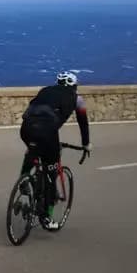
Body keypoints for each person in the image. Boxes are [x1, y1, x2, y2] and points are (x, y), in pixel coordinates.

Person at [19, 71, 91, 228]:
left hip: (25, 128)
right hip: (47, 132)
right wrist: (86, 144)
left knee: (33, 149)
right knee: (51, 173)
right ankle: (47, 217)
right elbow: (83, 122)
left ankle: (24, 177)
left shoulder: (45, 90)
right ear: (74, 85)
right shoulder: (77, 99)